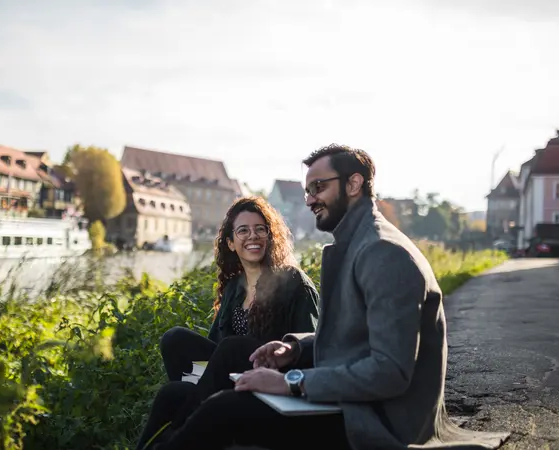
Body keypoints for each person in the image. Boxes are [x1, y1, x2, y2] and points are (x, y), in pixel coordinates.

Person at [146, 144, 511, 450]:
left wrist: (292, 382)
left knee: (223, 409)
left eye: (318, 187)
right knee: (177, 395)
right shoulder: (357, 244)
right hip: (351, 398)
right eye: (307, 190)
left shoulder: (384, 253)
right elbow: (350, 338)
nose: (309, 199)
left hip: (378, 420)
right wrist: (294, 348)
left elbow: (391, 372)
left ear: (354, 184)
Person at [136, 196, 319, 450]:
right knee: (174, 355)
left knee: (233, 347)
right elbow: (215, 348)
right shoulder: (235, 287)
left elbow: (310, 347)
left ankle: (180, 433)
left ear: (270, 236)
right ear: (231, 243)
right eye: (243, 230)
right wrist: (203, 378)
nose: (252, 236)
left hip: (271, 374)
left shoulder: (292, 282)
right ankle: (188, 414)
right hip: (228, 373)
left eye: (260, 229)